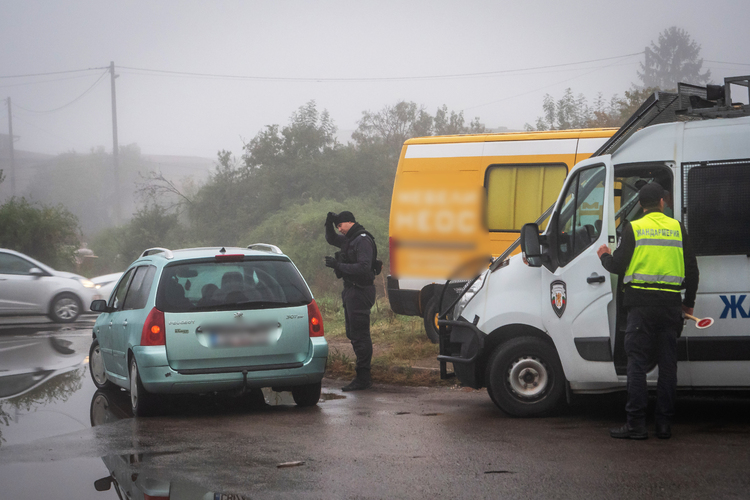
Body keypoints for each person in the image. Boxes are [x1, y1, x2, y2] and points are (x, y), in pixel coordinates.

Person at [597, 182, 699, 440]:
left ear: (641, 205)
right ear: (662, 203)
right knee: (667, 367)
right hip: (670, 308)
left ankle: (636, 425)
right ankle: (664, 425)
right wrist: (688, 303)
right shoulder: (677, 228)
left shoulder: (634, 228)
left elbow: (618, 266)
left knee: (638, 365)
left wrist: (604, 255)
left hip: (641, 309)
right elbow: (692, 270)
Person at [324, 210, 377, 391]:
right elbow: (331, 239)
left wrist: (338, 265)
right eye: (337, 227)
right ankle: (362, 376)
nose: (339, 230)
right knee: (353, 333)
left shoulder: (362, 240)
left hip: (361, 290)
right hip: (351, 290)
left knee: (360, 334)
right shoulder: (349, 239)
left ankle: (363, 377)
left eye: (340, 226)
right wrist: (328, 224)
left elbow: (364, 267)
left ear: (349, 222)